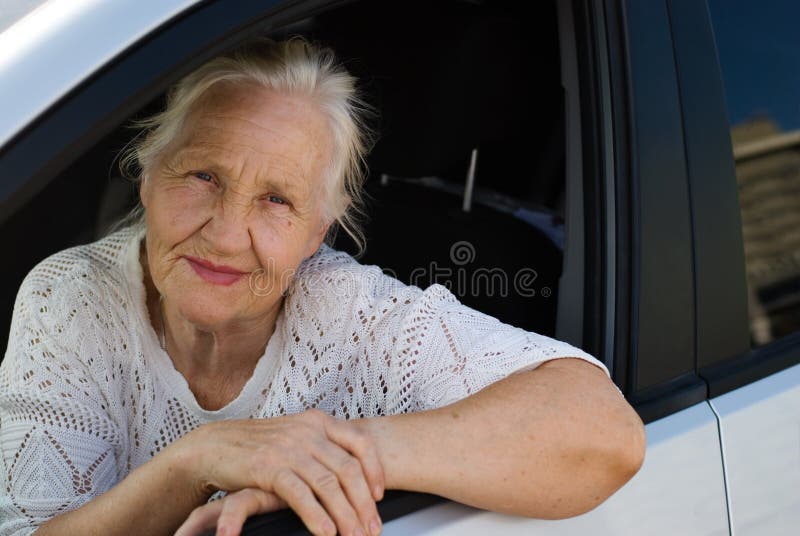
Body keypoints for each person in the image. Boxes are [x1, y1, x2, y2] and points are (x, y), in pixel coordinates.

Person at [0, 38, 645, 536]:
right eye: (202, 176)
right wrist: (200, 460)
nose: (226, 235)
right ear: (146, 178)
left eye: (277, 199)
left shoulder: (349, 315)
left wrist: (337, 453)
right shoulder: (70, 299)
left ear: (317, 234)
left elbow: (606, 431)